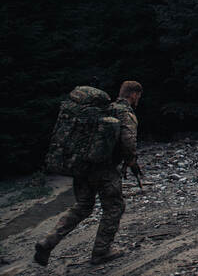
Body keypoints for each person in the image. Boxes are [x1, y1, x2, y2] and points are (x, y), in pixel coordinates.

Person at [35, 80, 142, 266]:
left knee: (83, 206)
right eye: (138, 96)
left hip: (82, 166)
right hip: (105, 170)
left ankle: (48, 242)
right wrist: (131, 161)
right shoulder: (125, 113)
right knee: (114, 207)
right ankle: (101, 252)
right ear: (134, 95)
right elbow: (128, 141)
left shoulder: (102, 109)